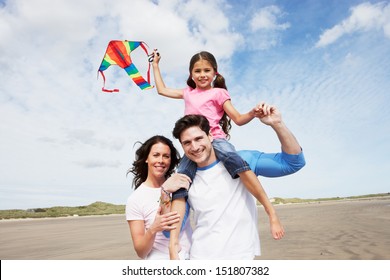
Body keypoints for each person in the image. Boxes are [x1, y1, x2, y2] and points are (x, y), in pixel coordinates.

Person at [152, 50, 284, 236]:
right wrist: (155, 65)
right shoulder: (188, 93)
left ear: (215, 72)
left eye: (207, 70)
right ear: (191, 74)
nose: (202, 75)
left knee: (237, 162)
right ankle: (173, 233)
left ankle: (271, 211)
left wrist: (253, 113)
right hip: (195, 144)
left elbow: (238, 119)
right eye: (197, 71)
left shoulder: (219, 93)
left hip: (216, 139)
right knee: (181, 178)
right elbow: (162, 90)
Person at [167, 104, 306, 259]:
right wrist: (165, 193)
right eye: (187, 142)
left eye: (199, 138)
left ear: (210, 136)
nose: (195, 147)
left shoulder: (241, 161)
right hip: (200, 258)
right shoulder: (185, 179)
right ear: (182, 146)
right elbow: (171, 229)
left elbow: (293, 163)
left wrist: (278, 124)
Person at [125, 135, 192, 260]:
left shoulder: (179, 184)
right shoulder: (135, 199)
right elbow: (141, 252)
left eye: (166, 156)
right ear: (146, 158)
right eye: (156, 155)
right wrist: (153, 229)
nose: (161, 160)